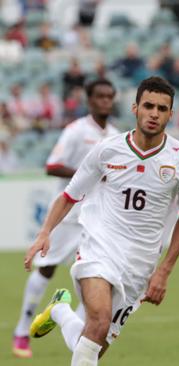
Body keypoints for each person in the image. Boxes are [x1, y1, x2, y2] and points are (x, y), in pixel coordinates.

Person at [23, 76, 179, 366]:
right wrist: (45, 232)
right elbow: (70, 194)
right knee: (100, 321)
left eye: (161, 108)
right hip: (100, 246)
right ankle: (64, 312)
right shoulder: (107, 149)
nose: (154, 113)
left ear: (171, 114)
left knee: (91, 342)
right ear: (135, 108)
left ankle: (60, 311)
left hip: (140, 265)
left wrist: (164, 271)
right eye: (148, 106)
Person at [12, 79, 120, 359]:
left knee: (94, 277)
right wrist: (87, 173)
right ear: (90, 100)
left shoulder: (117, 136)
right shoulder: (76, 131)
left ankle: (78, 331)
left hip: (97, 221)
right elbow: (52, 165)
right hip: (68, 217)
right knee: (46, 269)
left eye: (110, 96)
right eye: (100, 97)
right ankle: (22, 331)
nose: (105, 101)